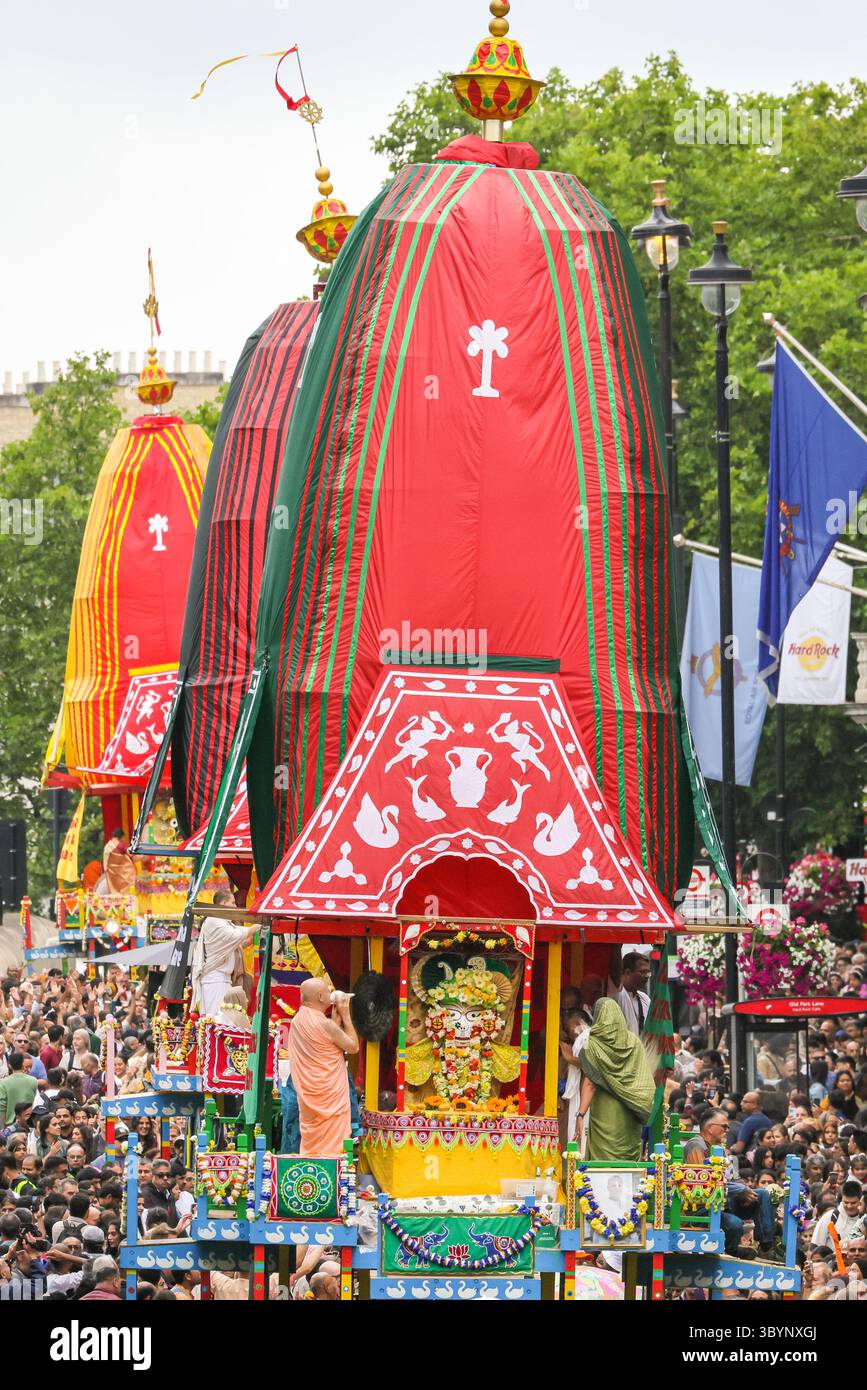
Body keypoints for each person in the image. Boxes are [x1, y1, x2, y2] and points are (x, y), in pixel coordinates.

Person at [573, 998, 655, 1160]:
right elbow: (643, 1078)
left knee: (603, 1159)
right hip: (631, 1109)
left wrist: (580, 1115)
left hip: (605, 1111)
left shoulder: (592, 1044)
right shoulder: (634, 1043)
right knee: (627, 1157)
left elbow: (590, 1084)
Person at [286, 980, 359, 1156]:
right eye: (327, 991)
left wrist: (335, 1022)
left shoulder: (297, 1020)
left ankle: (312, 1175)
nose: (330, 993)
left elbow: (324, 1047)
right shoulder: (325, 1025)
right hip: (330, 1096)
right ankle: (331, 1175)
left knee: (313, 1143)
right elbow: (353, 1047)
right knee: (333, 1148)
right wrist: (346, 1015)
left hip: (309, 1097)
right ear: (320, 997)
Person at [190, 890, 257, 1019]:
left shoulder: (222, 921)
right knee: (217, 1020)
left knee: (225, 1019)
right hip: (215, 980)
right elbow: (234, 935)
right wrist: (257, 925)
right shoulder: (214, 920)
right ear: (224, 903)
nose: (235, 907)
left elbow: (237, 943)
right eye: (233, 903)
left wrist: (251, 937)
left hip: (222, 980)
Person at [611, 952, 651, 1036]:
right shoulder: (617, 994)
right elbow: (614, 970)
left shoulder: (645, 998)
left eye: (648, 972)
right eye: (643, 972)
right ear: (628, 972)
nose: (647, 976)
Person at [0, 1052, 38, 1127]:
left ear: (9, 1065)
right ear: (22, 1064)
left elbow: (2, 1108)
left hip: (10, 1125)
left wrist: (3, 1129)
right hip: (28, 1122)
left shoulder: (3, 1083)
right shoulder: (33, 1080)